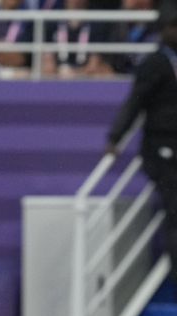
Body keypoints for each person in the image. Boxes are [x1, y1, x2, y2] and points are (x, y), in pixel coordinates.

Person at [107, 2, 177, 292]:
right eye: (174, 26)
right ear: (164, 30)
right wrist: (115, 137)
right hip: (161, 149)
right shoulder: (155, 64)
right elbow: (135, 101)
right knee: (174, 211)